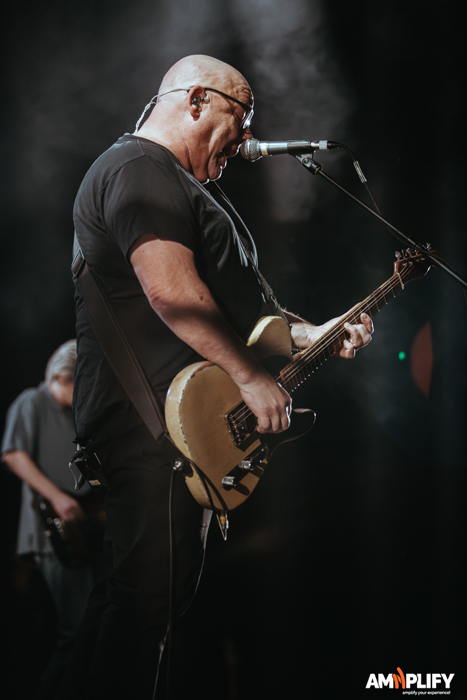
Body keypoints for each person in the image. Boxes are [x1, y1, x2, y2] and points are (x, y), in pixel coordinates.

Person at [58, 54, 373, 699]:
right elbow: (172, 294)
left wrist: (313, 333)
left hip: (178, 427)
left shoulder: (180, 181)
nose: (246, 137)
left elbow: (244, 314)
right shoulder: (139, 168)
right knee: (146, 605)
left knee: (132, 600)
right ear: (196, 99)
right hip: (154, 427)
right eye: (241, 115)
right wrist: (250, 378)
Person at [1, 340, 105, 699]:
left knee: (92, 631)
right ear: (62, 377)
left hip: (83, 533)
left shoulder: (75, 417)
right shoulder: (32, 401)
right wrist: (58, 497)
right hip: (52, 533)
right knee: (75, 633)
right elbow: (13, 455)